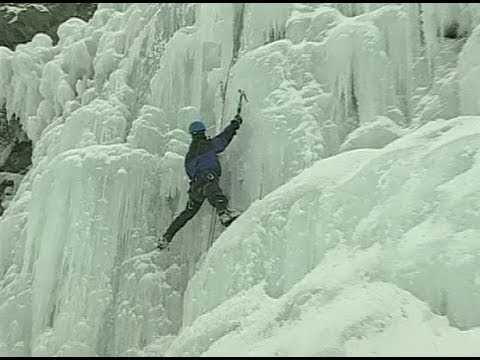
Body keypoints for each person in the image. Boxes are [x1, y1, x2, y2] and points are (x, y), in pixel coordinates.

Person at [157, 114, 243, 250]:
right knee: (214, 192)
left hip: (195, 187)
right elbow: (224, 139)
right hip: (207, 177)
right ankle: (223, 213)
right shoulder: (207, 145)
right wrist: (235, 123)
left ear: (192, 134)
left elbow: (190, 172)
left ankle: (167, 237)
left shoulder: (190, 154)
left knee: (187, 213)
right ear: (203, 132)